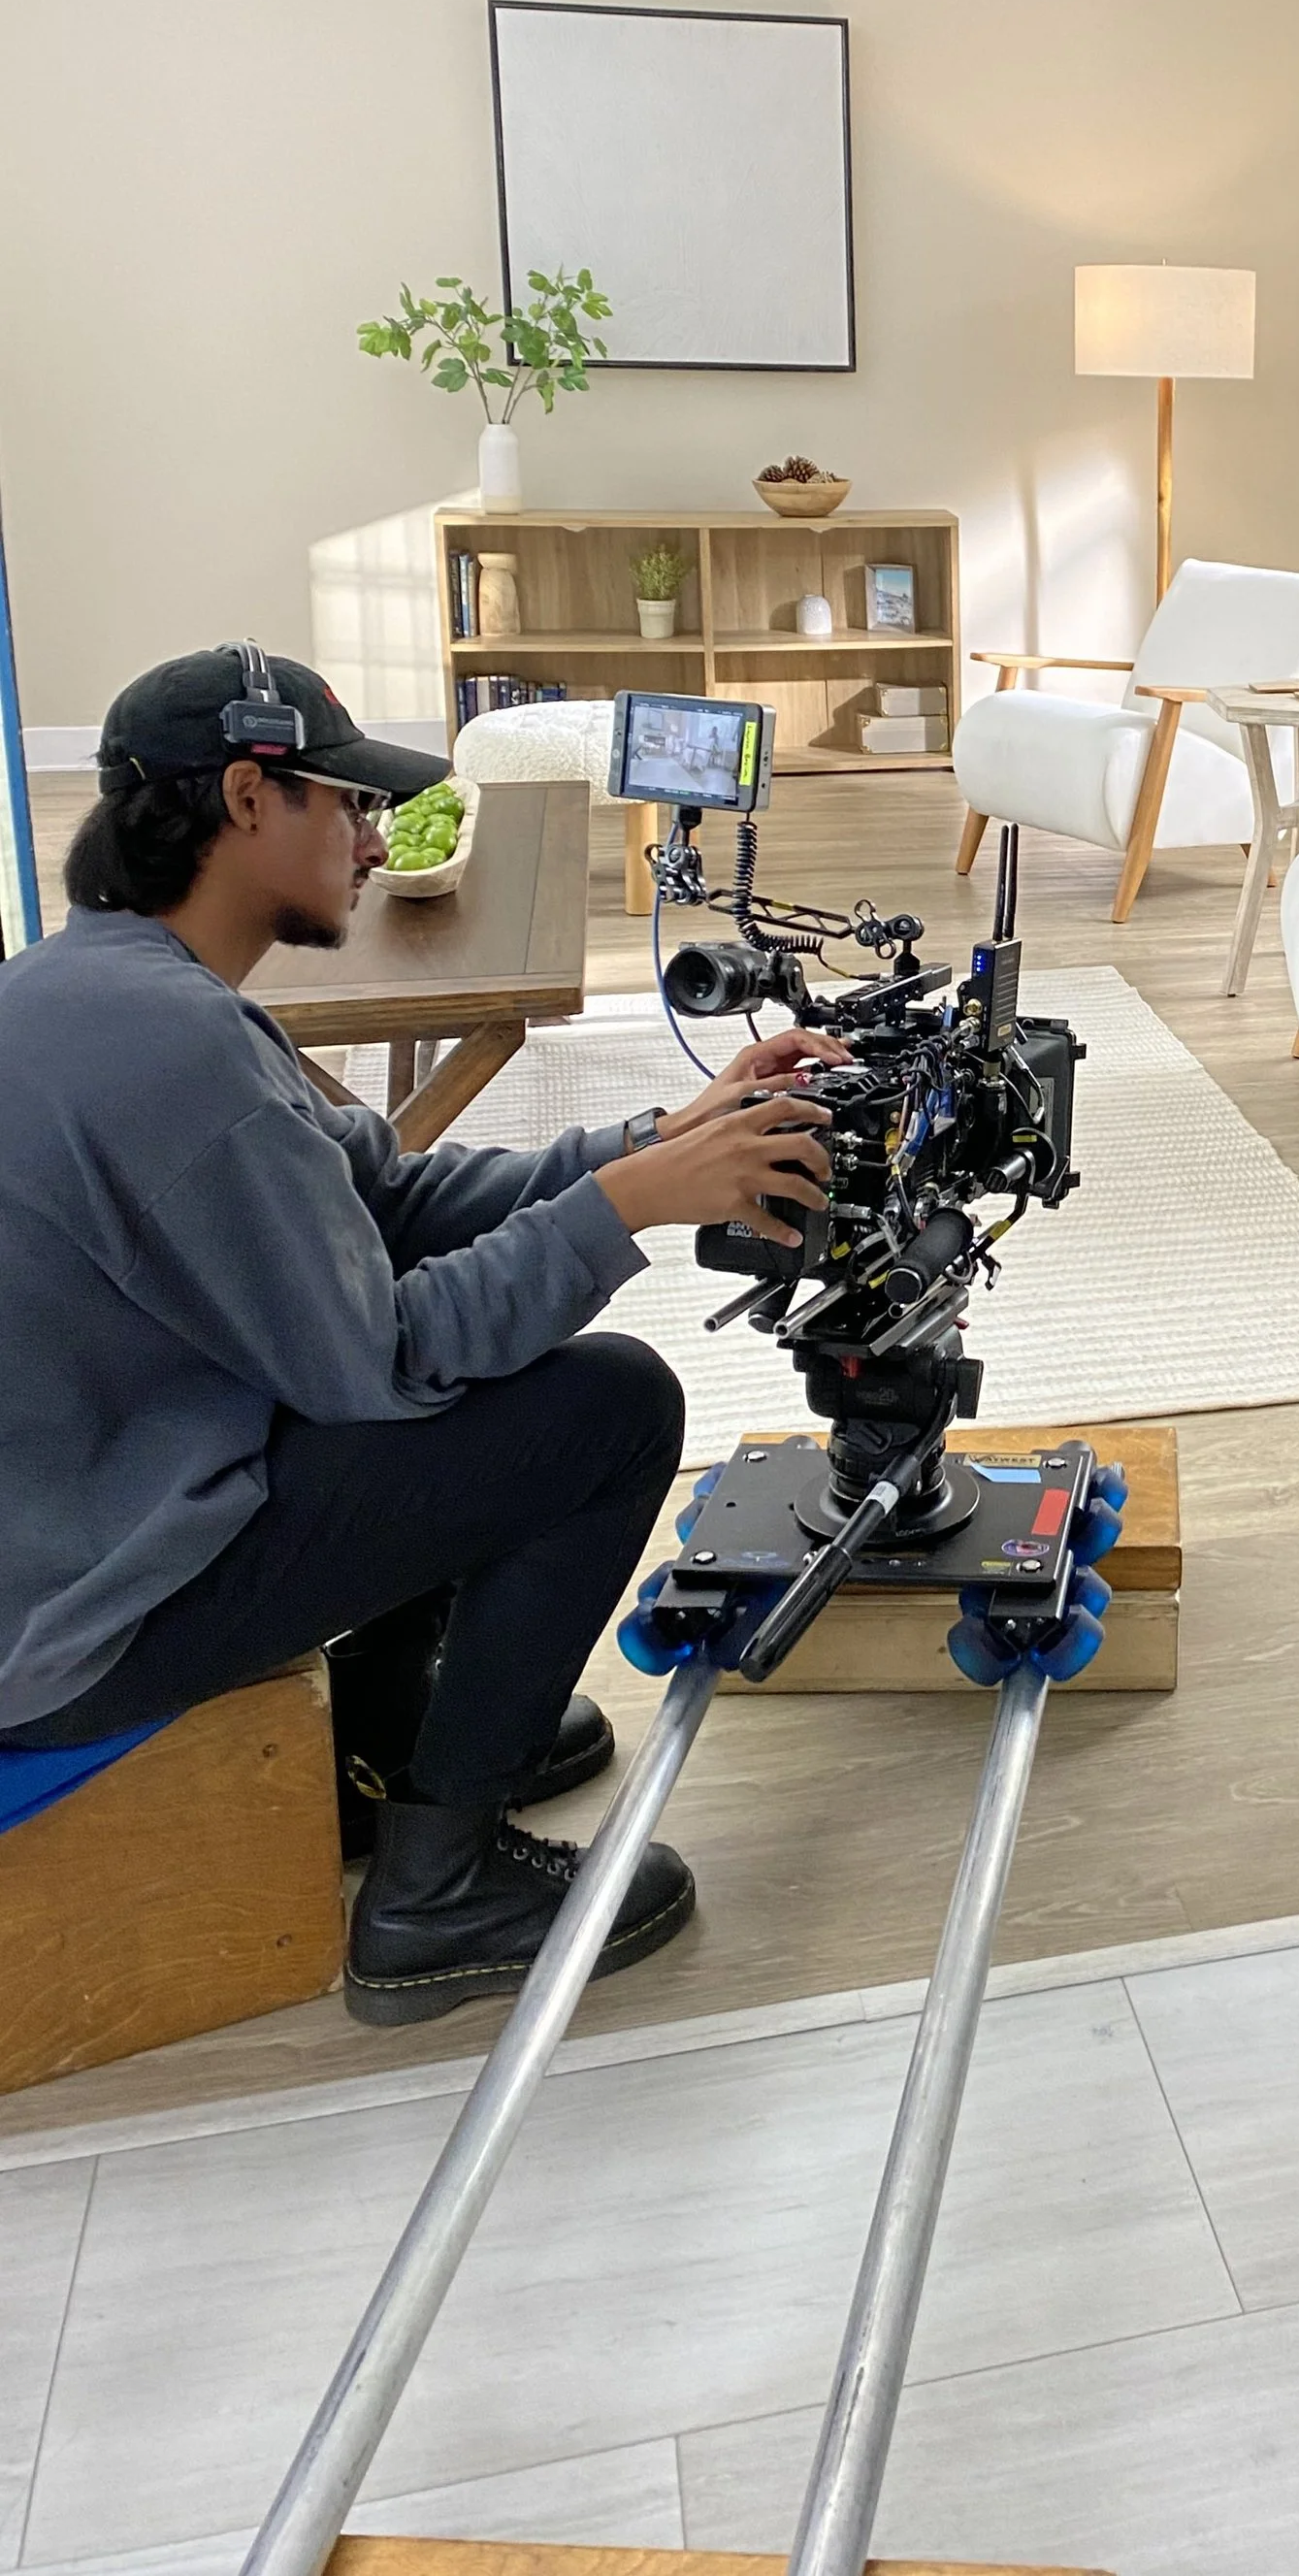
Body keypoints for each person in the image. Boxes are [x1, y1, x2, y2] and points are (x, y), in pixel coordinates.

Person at [0, 647, 839, 2027]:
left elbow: (380, 1199)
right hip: (71, 1627)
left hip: (77, 1527)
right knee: (605, 1407)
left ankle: (381, 1748)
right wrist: (624, 1213)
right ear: (249, 799)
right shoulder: (174, 1048)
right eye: (347, 802)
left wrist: (654, 1142)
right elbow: (382, 1362)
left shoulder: (115, 988)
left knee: (500, 1372)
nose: (378, 838)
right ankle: (436, 1895)